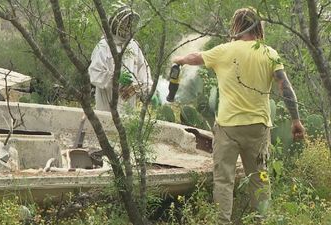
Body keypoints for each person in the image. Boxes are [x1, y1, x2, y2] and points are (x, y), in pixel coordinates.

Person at [173, 8, 305, 224]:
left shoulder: (224, 51)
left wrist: (179, 59)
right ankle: (261, 220)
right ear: (258, 27)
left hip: (228, 129)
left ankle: (222, 222)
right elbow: (285, 87)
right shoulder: (269, 53)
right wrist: (296, 120)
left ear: (236, 26)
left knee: (223, 180)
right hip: (258, 128)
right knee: (259, 180)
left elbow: (195, 57)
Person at [88, 3, 154, 112]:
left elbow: (144, 72)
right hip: (106, 106)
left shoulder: (133, 45)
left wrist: (140, 88)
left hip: (128, 108)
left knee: (125, 126)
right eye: (124, 23)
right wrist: (115, 77)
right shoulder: (103, 46)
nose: (127, 26)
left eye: (129, 22)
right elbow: (94, 73)